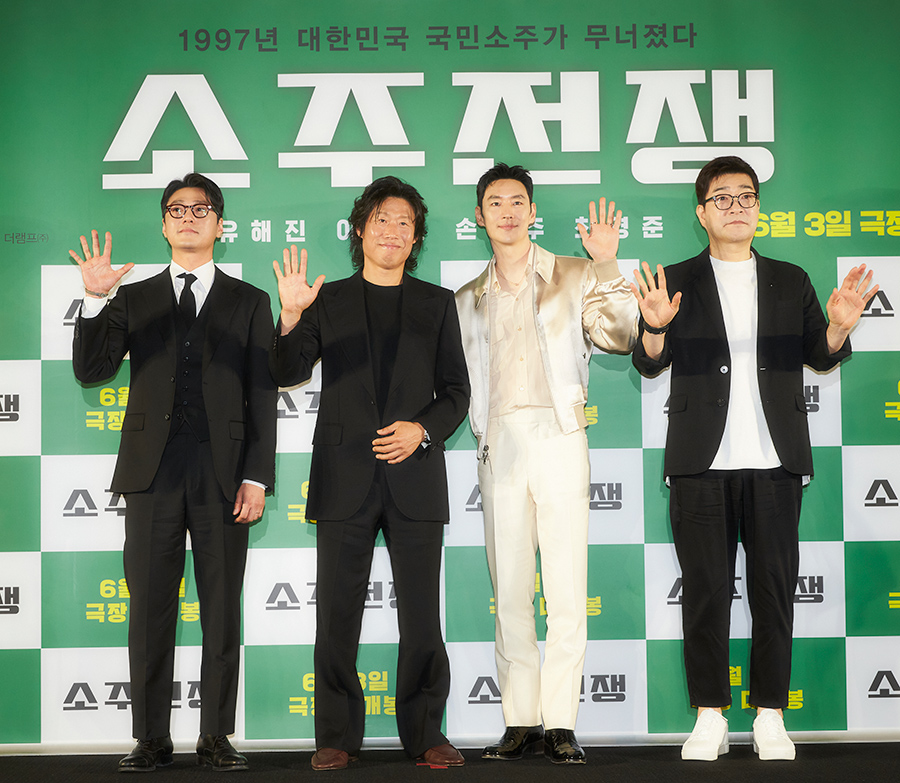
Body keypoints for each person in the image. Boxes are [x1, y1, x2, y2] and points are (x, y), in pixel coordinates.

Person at [630, 156, 878, 762]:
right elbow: (648, 363)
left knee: (774, 591)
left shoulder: (790, 279)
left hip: (775, 462)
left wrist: (839, 329)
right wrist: (655, 329)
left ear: (759, 208)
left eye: (746, 196)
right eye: (722, 197)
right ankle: (709, 716)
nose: (736, 207)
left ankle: (770, 713)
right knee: (705, 595)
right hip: (699, 463)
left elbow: (819, 354)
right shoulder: (674, 279)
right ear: (701, 212)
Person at [70, 173, 277, 772]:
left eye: (201, 208)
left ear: (220, 224)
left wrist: (257, 475)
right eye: (177, 209)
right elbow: (91, 370)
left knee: (222, 608)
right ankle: (151, 738)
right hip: (151, 472)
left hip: (224, 474)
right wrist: (95, 300)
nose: (188, 217)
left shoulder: (249, 300)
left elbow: (262, 394)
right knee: (149, 610)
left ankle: (216, 736)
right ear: (164, 224)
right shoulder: (133, 297)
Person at [270, 176, 470, 771]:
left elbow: (457, 392)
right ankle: (335, 736)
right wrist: (290, 314)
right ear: (360, 230)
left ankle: (426, 734)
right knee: (336, 614)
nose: (393, 231)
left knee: (422, 617)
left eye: (405, 222)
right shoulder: (326, 299)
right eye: (382, 219)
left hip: (415, 475)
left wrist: (421, 429)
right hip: (344, 476)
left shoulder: (437, 303)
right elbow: (286, 371)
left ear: (416, 238)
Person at [454, 163, 639, 764]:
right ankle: (520, 721)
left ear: (532, 212)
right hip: (498, 442)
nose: (507, 212)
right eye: (495, 203)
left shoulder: (574, 274)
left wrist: (607, 263)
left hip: (560, 434)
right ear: (479, 217)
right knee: (509, 589)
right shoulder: (465, 298)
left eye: (517, 201)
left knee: (565, 585)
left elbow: (621, 337)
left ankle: (561, 723)